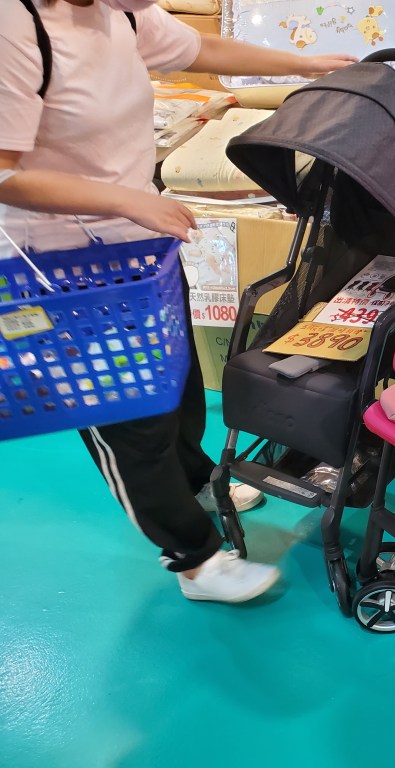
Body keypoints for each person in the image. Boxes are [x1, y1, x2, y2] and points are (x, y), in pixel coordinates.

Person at [0, 0, 356, 602]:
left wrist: (307, 64)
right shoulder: (17, 25)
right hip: (63, 267)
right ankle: (194, 560)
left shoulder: (122, 12)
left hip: (141, 252)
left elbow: (200, 48)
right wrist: (125, 199)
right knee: (127, 420)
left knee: (178, 384)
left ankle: (193, 481)